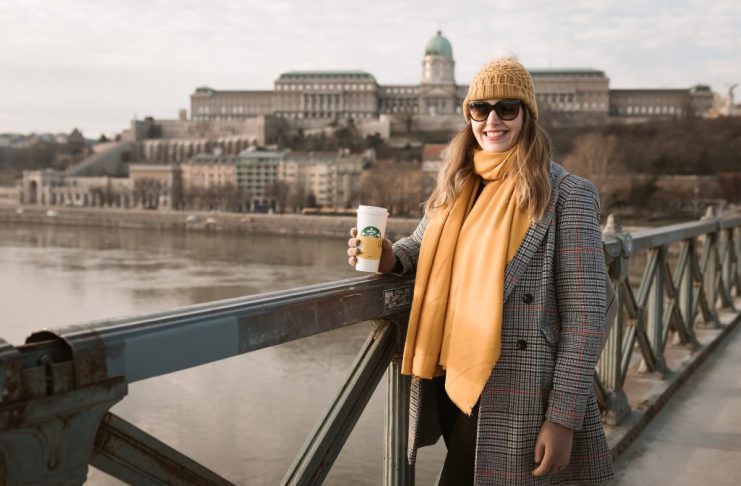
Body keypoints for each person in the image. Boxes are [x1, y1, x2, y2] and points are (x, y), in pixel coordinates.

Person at [347, 57, 614, 485]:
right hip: (448, 371)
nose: (492, 120)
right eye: (480, 108)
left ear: (527, 115)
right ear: (468, 114)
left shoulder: (569, 194)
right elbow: (421, 245)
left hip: (518, 383)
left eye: (506, 108)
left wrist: (564, 418)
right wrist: (389, 258)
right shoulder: (458, 182)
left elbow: (586, 317)